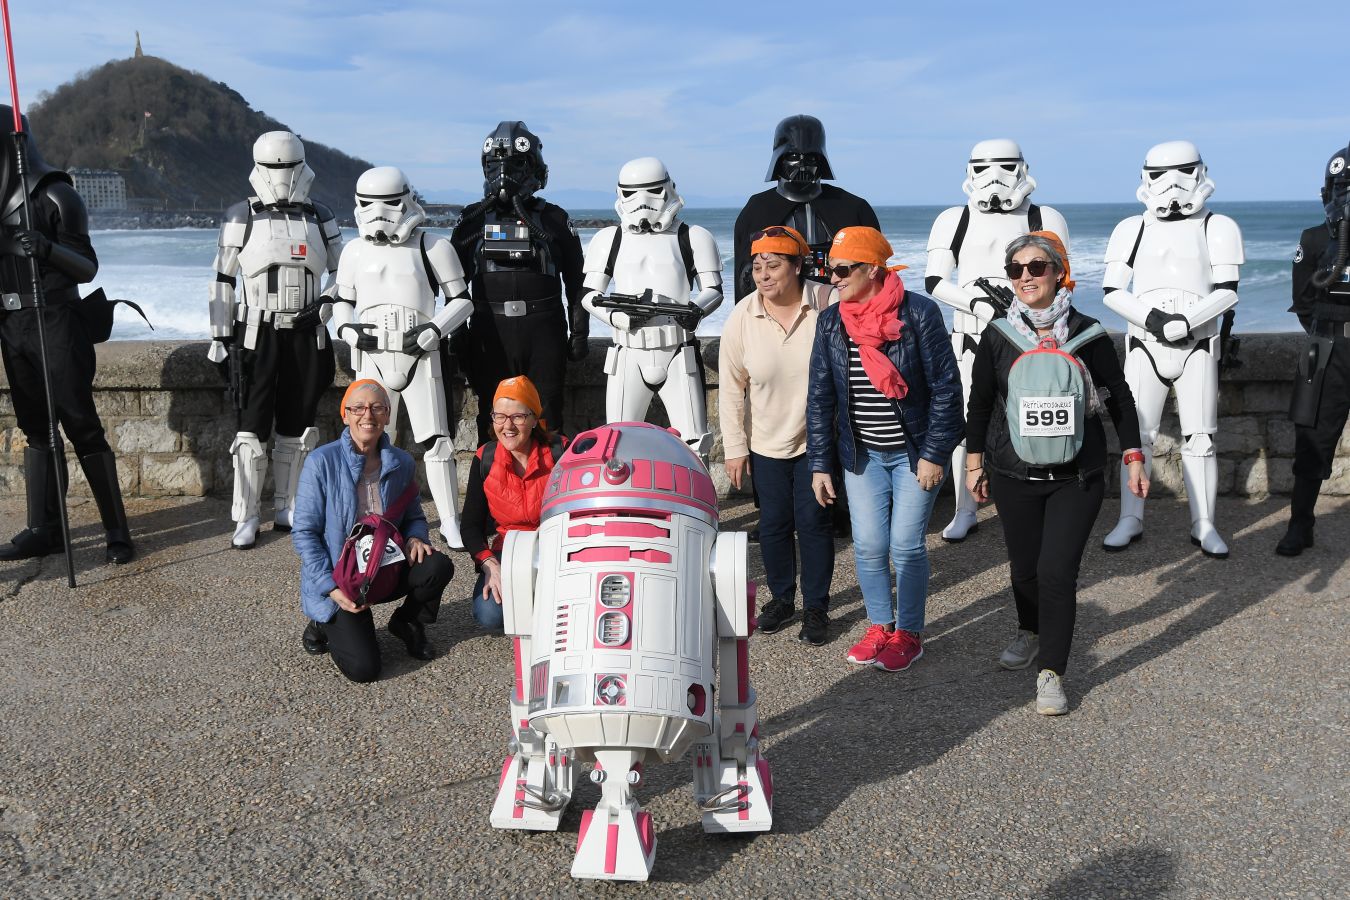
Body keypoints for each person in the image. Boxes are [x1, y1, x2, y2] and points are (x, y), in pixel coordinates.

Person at [965, 232, 1147, 715]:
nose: (1026, 276)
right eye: (1016, 269)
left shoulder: (1088, 334)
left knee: (1055, 573)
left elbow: (1119, 396)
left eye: (1037, 266)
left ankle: (1052, 672)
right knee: (1024, 571)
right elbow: (981, 403)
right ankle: (1029, 629)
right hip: (1013, 474)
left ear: (1058, 272)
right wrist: (974, 462)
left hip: (1077, 476)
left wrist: (1133, 456)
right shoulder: (999, 336)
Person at [806, 226, 963, 672]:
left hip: (914, 452)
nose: (832, 278)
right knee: (870, 545)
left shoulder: (919, 314)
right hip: (862, 454)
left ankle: (909, 633)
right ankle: (880, 626)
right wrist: (820, 464)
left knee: (906, 546)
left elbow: (947, 390)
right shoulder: (832, 321)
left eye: (841, 270)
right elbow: (820, 397)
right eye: (827, 270)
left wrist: (935, 453)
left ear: (872, 269)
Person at [0, 106, 134, 564]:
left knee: (80, 424)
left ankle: (117, 531)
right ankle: (44, 528)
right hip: (12, 325)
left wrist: (47, 248)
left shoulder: (57, 195)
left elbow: (88, 266)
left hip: (55, 319)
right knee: (36, 428)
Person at [1101, 141, 1243, 558]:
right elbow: (1112, 289)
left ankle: (1204, 523)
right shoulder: (1132, 228)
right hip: (1145, 345)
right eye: (1160, 175)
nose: (1172, 185)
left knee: (1200, 439)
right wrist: (1156, 321)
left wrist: (1187, 322)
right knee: (1137, 436)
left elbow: (1228, 290)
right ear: (1145, 177)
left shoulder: (1218, 226)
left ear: (1200, 172)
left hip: (1197, 345)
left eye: (1182, 173)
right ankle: (1130, 517)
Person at [925, 139, 1070, 542]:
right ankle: (964, 508)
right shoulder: (954, 219)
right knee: (968, 424)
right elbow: (935, 280)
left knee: (1029, 421)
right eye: (985, 168)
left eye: (1005, 167)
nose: (995, 178)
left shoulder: (1044, 215)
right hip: (970, 336)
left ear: (1022, 168)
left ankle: (1028, 503)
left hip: (1029, 340)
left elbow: (1061, 278)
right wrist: (978, 304)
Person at [208, 131, 344, 550]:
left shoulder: (321, 216)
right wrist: (219, 335)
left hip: (308, 334)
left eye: (287, 167)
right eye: (274, 167)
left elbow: (344, 273)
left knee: (298, 427)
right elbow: (222, 279)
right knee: (250, 431)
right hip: (255, 332)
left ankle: (288, 506)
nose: (281, 176)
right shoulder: (241, 216)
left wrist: (326, 305)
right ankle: (246, 515)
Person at [331, 166, 472, 548]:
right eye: (369, 204)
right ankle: (373, 518)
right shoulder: (354, 251)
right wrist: (348, 331)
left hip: (421, 356)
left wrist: (433, 331)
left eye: (389, 202)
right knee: (370, 442)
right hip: (372, 356)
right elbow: (341, 302)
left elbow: (461, 301)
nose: (379, 212)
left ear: (407, 199)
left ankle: (449, 520)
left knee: (437, 442)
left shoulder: (433, 246)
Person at [292, 379, 454, 683]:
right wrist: (331, 588)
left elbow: (414, 516)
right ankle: (322, 620)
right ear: (345, 415)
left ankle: (408, 623)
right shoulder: (321, 462)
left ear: (388, 415)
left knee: (437, 565)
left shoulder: (402, 462)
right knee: (364, 670)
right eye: (359, 408)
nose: (368, 415)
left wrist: (417, 537)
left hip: (385, 563)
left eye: (377, 408)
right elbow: (304, 533)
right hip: (342, 576)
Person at [720, 226, 837, 645]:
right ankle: (781, 598)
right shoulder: (743, 315)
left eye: (774, 265)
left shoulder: (827, 303)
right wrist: (734, 449)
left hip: (817, 439)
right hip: (765, 439)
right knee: (772, 524)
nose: (764, 275)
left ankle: (817, 606)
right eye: (757, 267)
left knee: (814, 521)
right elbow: (732, 387)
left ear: (798, 266)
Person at [452, 121, 587, 442]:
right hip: (489, 333)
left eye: (514, 164)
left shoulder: (554, 217)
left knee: (548, 418)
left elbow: (577, 280)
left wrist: (580, 331)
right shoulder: (472, 218)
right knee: (493, 417)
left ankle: (549, 489)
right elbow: (452, 285)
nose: (504, 173)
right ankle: (494, 490)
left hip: (543, 332)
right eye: (498, 165)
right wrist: (456, 335)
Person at [580, 157, 723, 461]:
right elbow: (590, 295)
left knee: (695, 442)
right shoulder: (610, 238)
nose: (642, 202)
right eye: (632, 193)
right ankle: (621, 507)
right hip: (627, 350)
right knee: (616, 442)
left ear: (668, 189)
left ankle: (700, 507)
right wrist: (618, 316)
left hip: (677, 350)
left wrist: (694, 310)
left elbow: (713, 289)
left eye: (652, 191)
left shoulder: (693, 236)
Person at [1279, 141, 1350, 555]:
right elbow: (1303, 302)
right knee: (1313, 442)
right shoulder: (1314, 238)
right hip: (1330, 351)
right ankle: (1300, 525)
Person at [461, 376, 566, 631]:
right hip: (509, 548)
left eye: (518, 416)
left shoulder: (560, 451)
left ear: (533, 419)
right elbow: (470, 526)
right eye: (499, 416)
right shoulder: (485, 457)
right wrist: (489, 564)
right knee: (490, 615)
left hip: (555, 545)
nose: (507, 425)